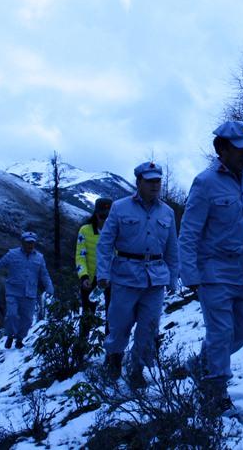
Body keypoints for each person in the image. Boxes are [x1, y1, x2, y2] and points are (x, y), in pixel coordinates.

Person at [179, 120, 243, 414]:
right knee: (221, 332)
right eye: (239, 149)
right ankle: (215, 394)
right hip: (215, 272)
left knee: (242, 332)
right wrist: (189, 274)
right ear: (222, 149)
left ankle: (201, 365)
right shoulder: (205, 183)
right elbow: (189, 231)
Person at [96, 161, 179, 385]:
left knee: (149, 327)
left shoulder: (167, 212)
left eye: (158, 181)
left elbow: (172, 248)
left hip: (155, 279)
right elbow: (105, 244)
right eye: (150, 181)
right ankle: (114, 359)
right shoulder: (119, 208)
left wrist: (173, 278)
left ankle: (137, 369)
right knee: (120, 324)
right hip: (125, 276)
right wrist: (102, 274)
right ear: (138, 182)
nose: (155, 185)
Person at [0, 231, 54, 349]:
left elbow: (44, 274)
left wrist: (49, 287)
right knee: (12, 315)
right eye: (28, 242)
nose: (30, 245)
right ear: (22, 242)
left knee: (27, 319)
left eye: (32, 243)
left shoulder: (39, 257)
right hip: (13, 292)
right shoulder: (12, 254)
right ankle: (10, 335)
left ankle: (20, 339)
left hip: (30, 293)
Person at [76, 197, 113, 336]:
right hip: (90, 279)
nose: (104, 220)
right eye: (102, 216)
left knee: (112, 315)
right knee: (87, 315)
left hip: (111, 279)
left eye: (108, 216)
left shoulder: (116, 231)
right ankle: (82, 345)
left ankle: (110, 347)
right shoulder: (85, 231)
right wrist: (84, 276)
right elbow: (80, 256)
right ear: (96, 214)